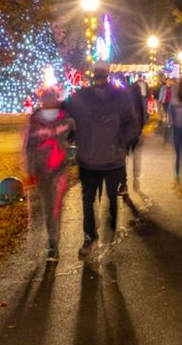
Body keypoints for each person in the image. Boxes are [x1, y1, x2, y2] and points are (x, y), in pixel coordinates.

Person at [67, 62, 138, 259]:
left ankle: (93, 235)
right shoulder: (116, 96)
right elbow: (131, 123)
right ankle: (99, 232)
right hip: (104, 159)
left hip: (100, 159)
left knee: (92, 199)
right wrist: (123, 141)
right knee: (102, 198)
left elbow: (68, 122)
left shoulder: (81, 97)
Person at [24, 89, 74, 261]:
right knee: (51, 207)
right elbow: (30, 146)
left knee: (51, 206)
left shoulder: (64, 119)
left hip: (55, 168)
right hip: (45, 169)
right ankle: (49, 242)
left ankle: (52, 243)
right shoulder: (42, 120)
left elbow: (29, 146)